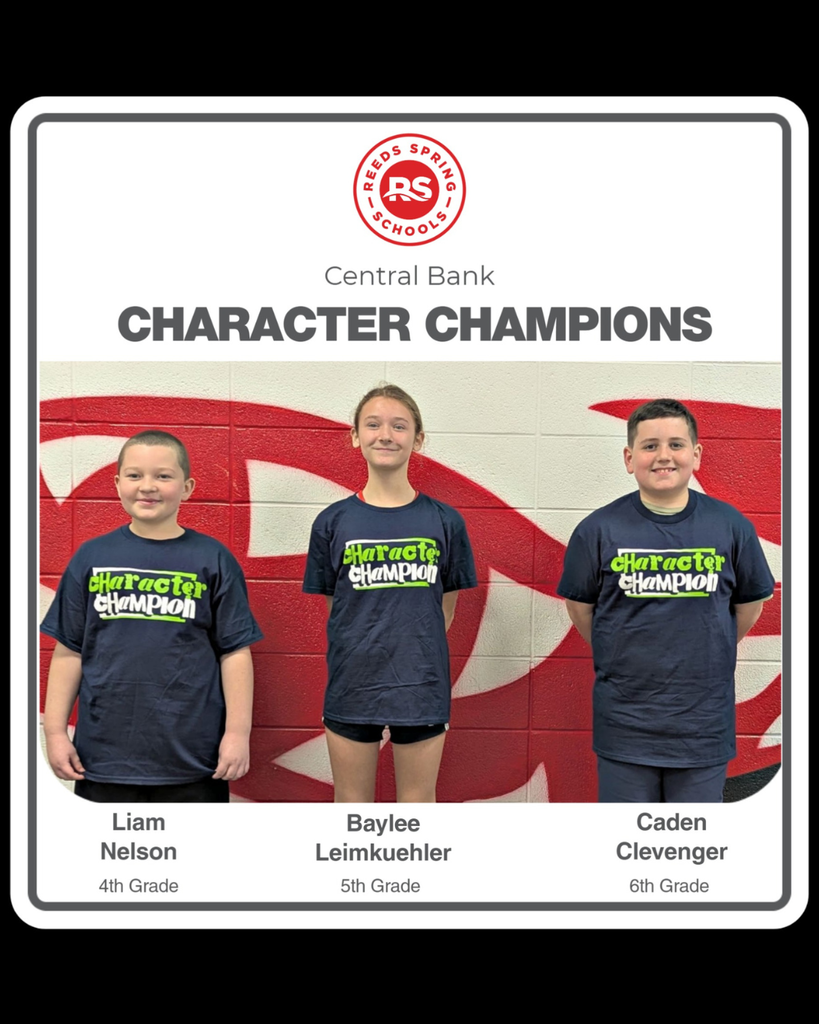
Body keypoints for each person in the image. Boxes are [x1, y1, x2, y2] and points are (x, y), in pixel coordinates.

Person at [557, 399, 775, 803]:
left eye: (676, 444)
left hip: (703, 728)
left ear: (696, 455)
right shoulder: (597, 530)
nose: (663, 456)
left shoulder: (731, 526)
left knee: (690, 836)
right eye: (649, 446)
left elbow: (748, 607)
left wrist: (712, 643)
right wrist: (618, 647)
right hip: (625, 726)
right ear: (629, 458)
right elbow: (582, 609)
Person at [40, 430, 263, 803]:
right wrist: (55, 732)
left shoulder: (213, 559)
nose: (148, 486)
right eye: (135, 475)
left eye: (163, 476)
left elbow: (235, 652)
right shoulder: (91, 557)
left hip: (194, 758)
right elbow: (69, 652)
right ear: (117, 484)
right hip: (104, 757)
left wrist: (238, 734)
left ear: (187, 488)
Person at [303, 385, 477, 803]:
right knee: (352, 803)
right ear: (355, 436)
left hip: (421, 684)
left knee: (417, 803)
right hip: (352, 683)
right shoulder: (332, 522)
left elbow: (443, 610)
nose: (386, 435)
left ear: (418, 439)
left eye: (399, 426)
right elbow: (339, 608)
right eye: (373, 425)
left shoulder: (445, 521)